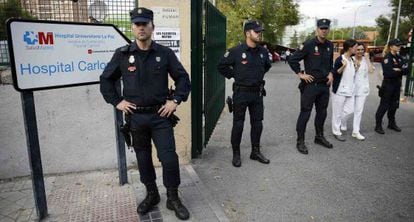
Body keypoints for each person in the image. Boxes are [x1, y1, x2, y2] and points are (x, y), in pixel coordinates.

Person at [99, 7, 191, 220]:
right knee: (143, 159)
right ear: (132, 28)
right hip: (136, 118)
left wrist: (175, 100)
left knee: (168, 158)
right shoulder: (122, 55)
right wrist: (117, 101)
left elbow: (183, 79)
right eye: (137, 24)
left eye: (145, 24)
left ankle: (173, 197)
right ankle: (152, 194)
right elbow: (106, 80)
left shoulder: (164, 54)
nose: (141, 28)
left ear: (152, 27)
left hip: (161, 117)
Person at [217, 20, 272, 167]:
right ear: (248, 33)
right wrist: (236, 74)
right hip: (241, 92)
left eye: (260, 31)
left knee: (257, 123)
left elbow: (267, 66)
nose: (259, 34)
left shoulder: (263, 52)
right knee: (238, 124)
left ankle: (255, 151)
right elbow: (221, 66)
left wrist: (256, 77)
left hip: (257, 93)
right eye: (256, 31)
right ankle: (236, 154)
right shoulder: (236, 51)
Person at [288, 18, 334, 155]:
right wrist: (300, 74)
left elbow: (330, 63)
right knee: (305, 113)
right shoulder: (308, 44)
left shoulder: (330, 45)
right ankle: (300, 141)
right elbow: (293, 59)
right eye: (322, 28)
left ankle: (319, 137)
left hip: (324, 86)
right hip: (310, 85)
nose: (324, 30)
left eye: (326, 28)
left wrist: (331, 73)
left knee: (322, 112)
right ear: (317, 29)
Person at [340, 42, 374, 140]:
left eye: (362, 50)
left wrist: (367, 59)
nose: (360, 51)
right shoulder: (351, 59)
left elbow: (371, 71)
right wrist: (355, 67)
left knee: (359, 111)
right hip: (351, 89)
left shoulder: (365, 60)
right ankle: (343, 121)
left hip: (362, 89)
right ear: (354, 50)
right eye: (358, 49)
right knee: (349, 110)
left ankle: (356, 131)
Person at [375, 38, 408, 134]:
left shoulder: (399, 57)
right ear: (391, 47)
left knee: (394, 106)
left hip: (397, 85)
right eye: (397, 45)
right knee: (384, 106)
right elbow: (389, 73)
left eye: (400, 45)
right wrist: (399, 70)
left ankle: (391, 123)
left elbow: (406, 70)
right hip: (388, 85)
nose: (399, 47)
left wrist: (398, 70)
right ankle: (378, 125)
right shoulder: (387, 58)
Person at [331, 39, 358, 141]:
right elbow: (335, 73)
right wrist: (343, 66)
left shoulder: (352, 59)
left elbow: (351, 74)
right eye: (355, 47)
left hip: (350, 90)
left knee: (350, 110)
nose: (356, 49)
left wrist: (356, 68)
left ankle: (341, 124)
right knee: (337, 112)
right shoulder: (340, 59)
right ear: (350, 48)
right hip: (339, 90)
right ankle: (336, 131)